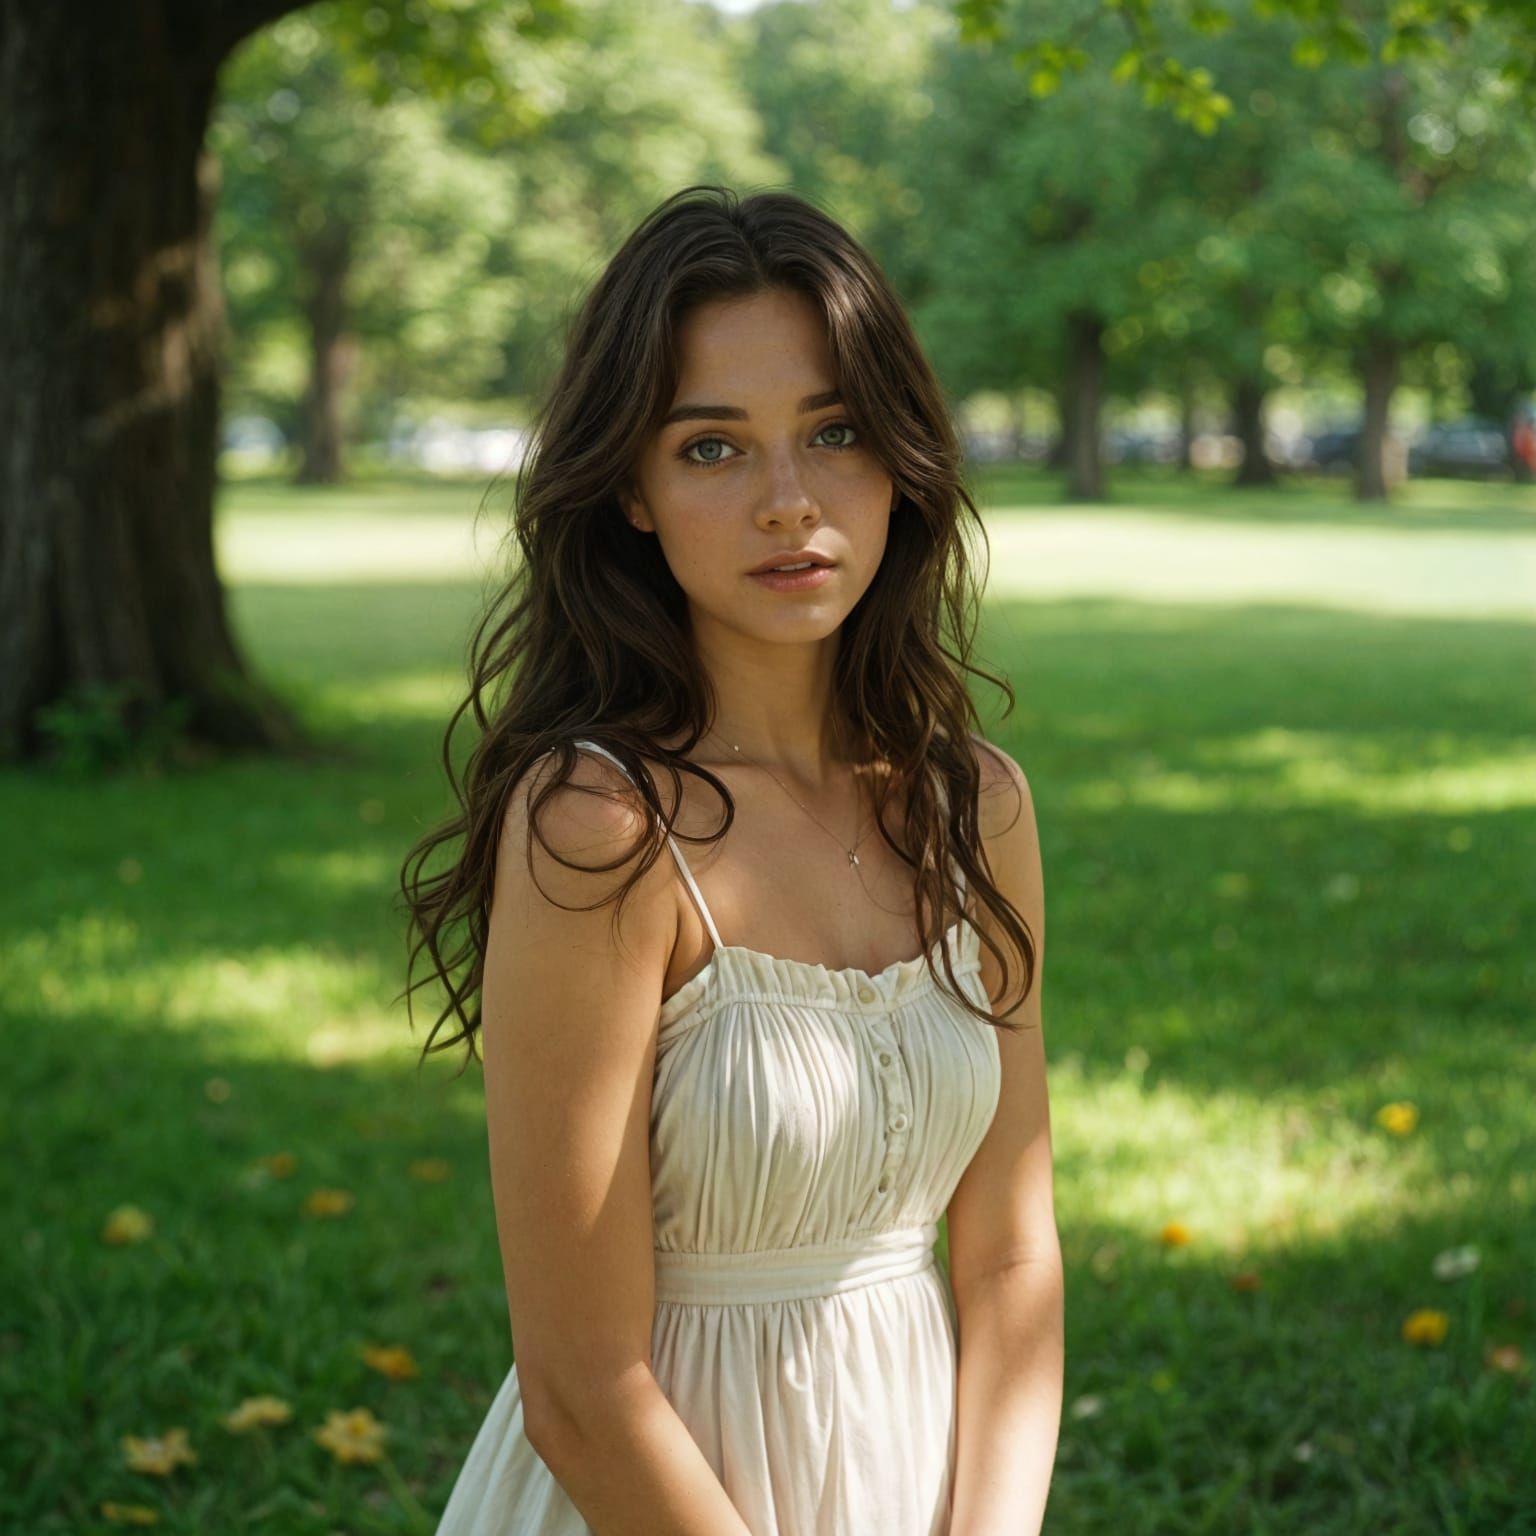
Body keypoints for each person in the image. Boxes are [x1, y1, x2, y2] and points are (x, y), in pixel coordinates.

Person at [398, 184, 1060, 1535]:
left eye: (835, 432)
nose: (788, 501)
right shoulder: (600, 832)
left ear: (901, 459)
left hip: (917, 1483)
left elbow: (1008, 1264)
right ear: (631, 491)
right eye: (712, 448)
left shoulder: (973, 805)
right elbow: (580, 1390)